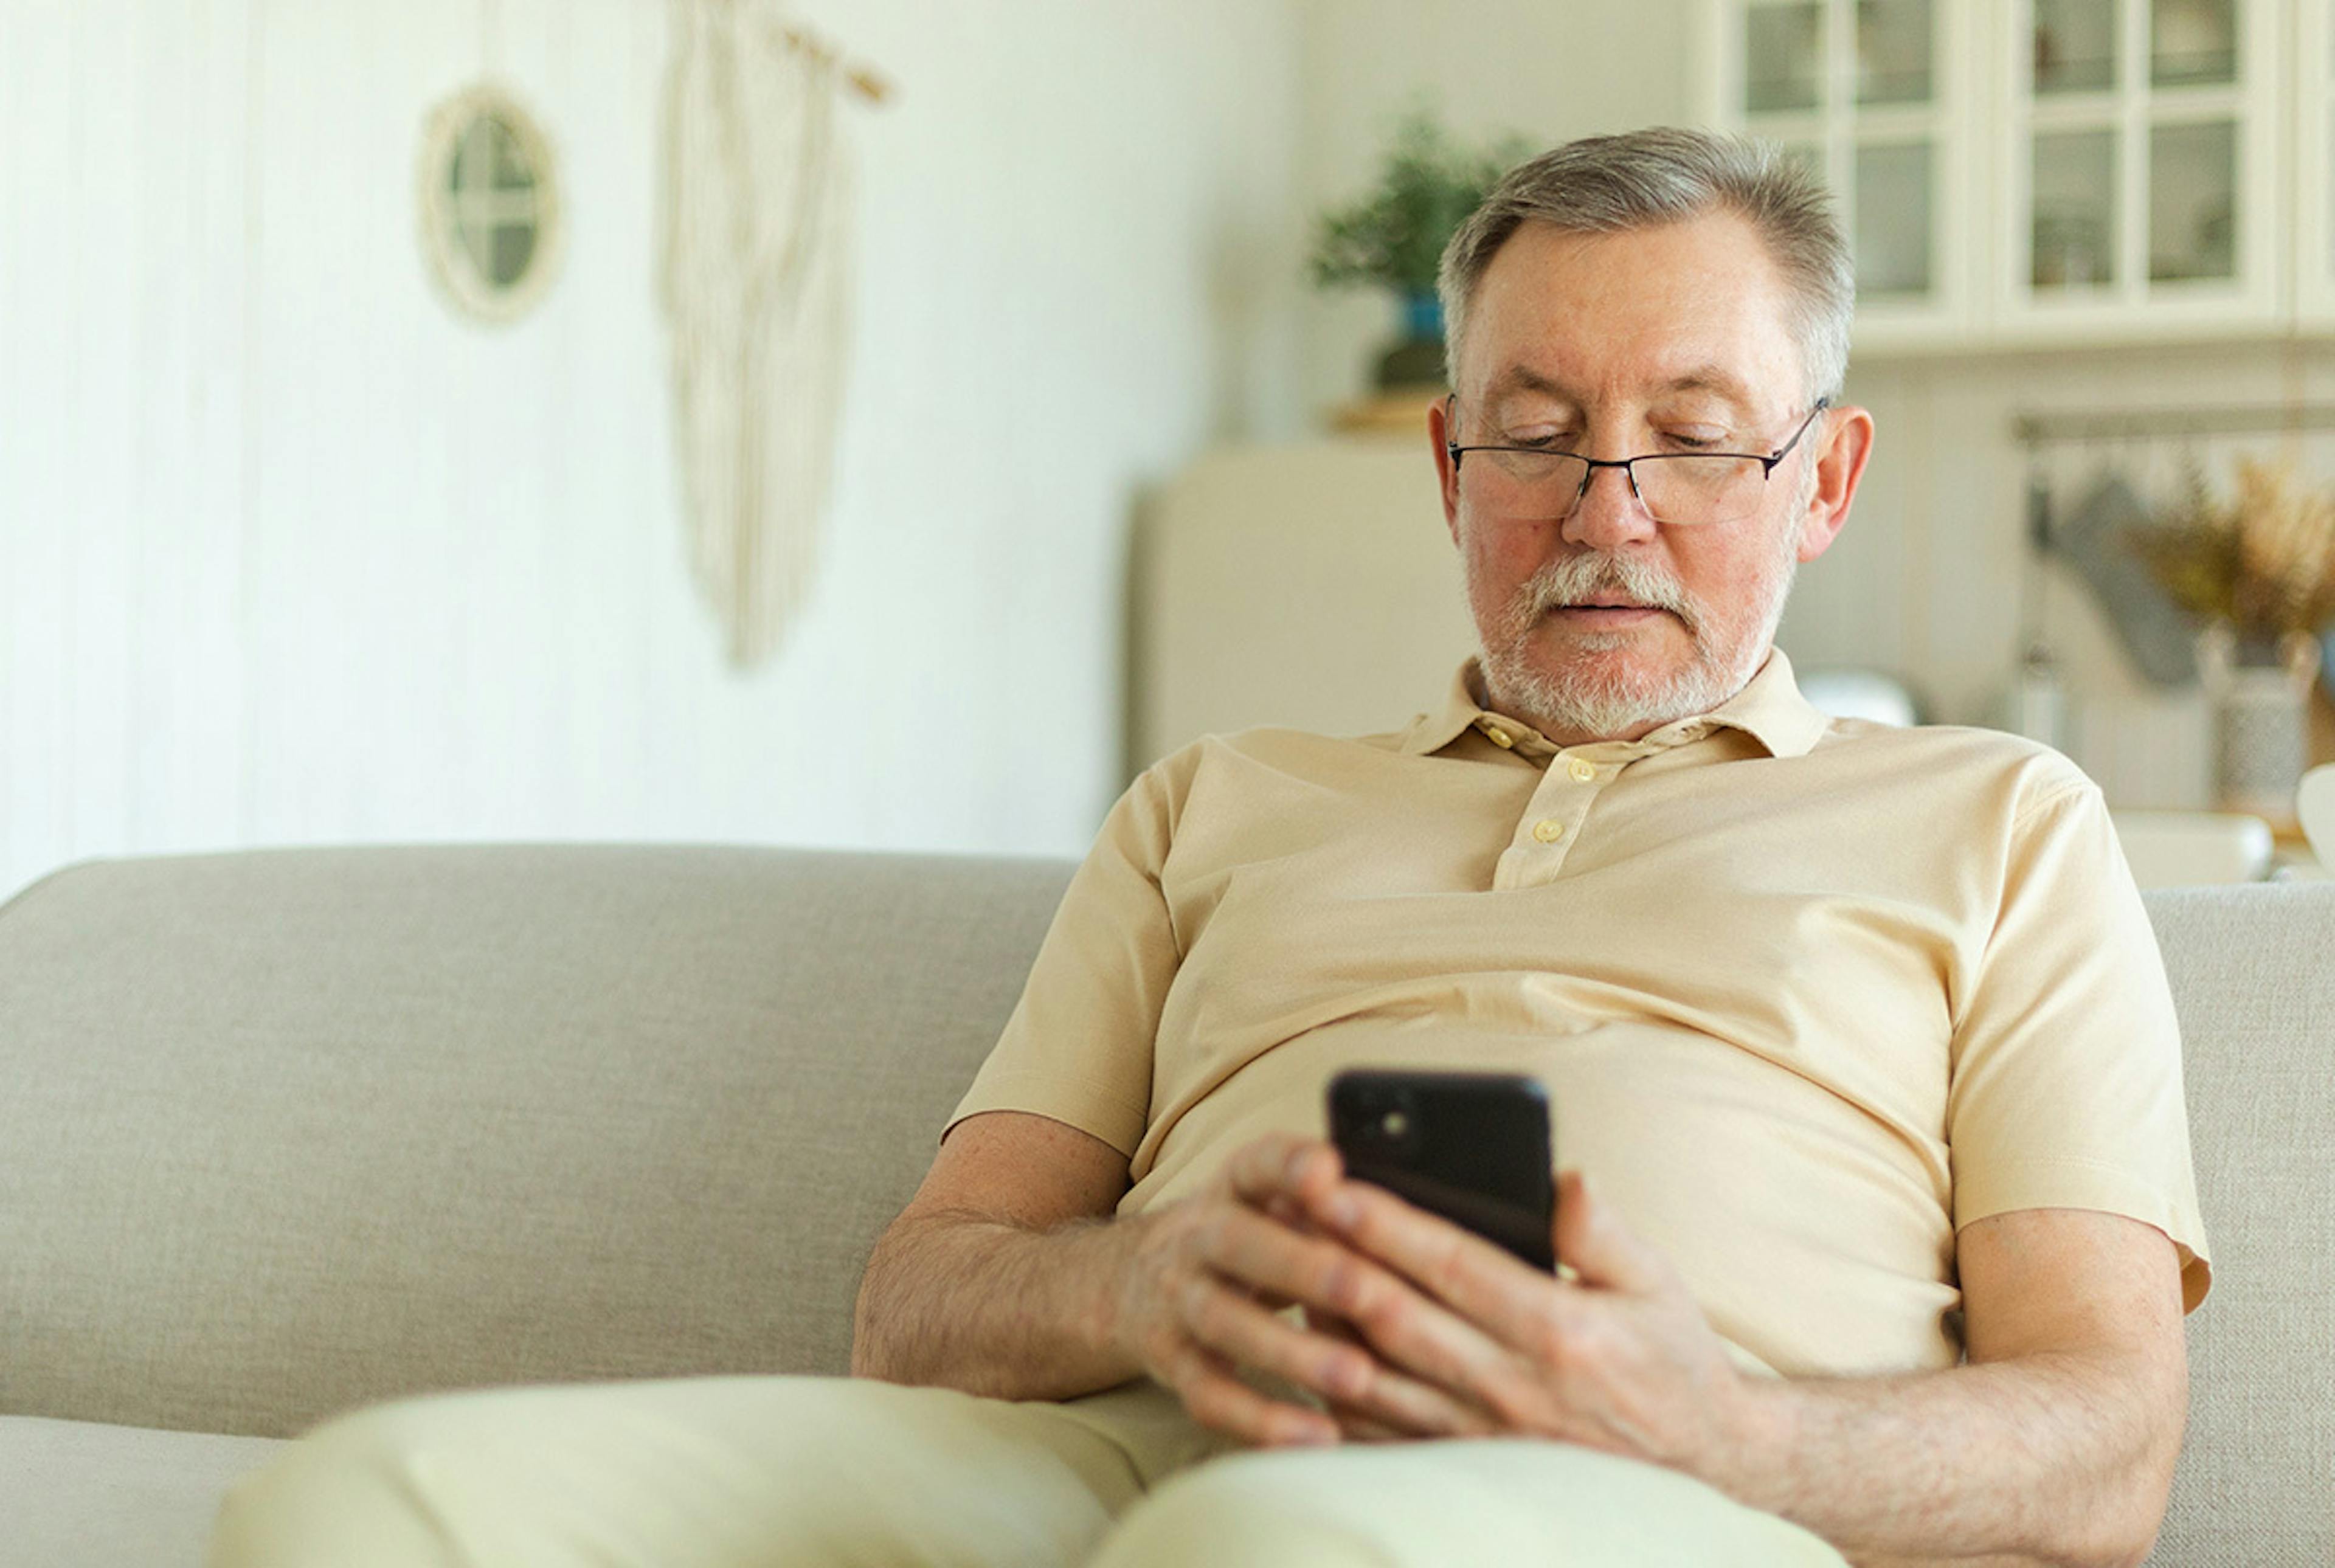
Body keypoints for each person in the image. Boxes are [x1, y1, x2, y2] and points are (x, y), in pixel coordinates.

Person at [209, 127, 2209, 1568]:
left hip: (1676, 1496)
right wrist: (1140, 1289)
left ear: (1825, 476)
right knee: (368, 1503)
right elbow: (915, 1308)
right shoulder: (1215, 800)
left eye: (1695, 432)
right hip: (1124, 1456)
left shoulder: (2000, 822)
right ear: (1448, 465)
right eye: (1534, 429)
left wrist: (1724, 1424)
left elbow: (2108, 1453)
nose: (1609, 508)